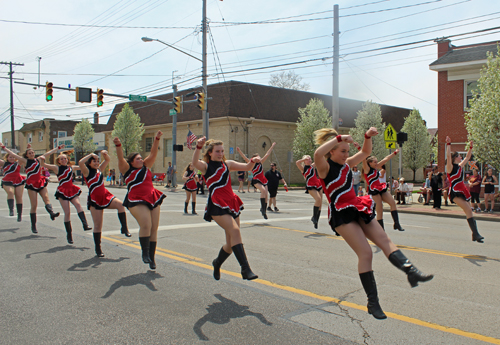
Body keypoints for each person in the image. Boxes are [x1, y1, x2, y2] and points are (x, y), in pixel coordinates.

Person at [314, 127, 433, 320]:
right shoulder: (325, 167)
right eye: (342, 151)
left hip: (357, 206)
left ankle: (411, 271)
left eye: (347, 151)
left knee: (385, 240)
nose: (346, 155)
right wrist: (339, 137)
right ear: (332, 151)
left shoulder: (347, 165)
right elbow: (317, 153)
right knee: (366, 253)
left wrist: (367, 136)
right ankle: (373, 302)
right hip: (342, 214)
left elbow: (366, 153)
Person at [192, 136, 260, 281]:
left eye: (222, 151)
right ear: (210, 152)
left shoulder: (227, 164)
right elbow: (194, 162)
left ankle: (217, 263)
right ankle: (245, 269)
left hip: (231, 202)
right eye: (217, 151)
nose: (221, 153)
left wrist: (253, 161)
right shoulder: (206, 167)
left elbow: (248, 167)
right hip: (217, 203)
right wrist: (198, 147)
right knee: (235, 231)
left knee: (230, 244)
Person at [114, 132, 166, 268]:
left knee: (154, 228)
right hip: (136, 199)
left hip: (152, 197)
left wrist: (157, 139)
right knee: (146, 225)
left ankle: (152, 258)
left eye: (141, 158)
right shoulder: (126, 169)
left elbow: (153, 154)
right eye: (138, 159)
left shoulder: (146, 166)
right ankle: (145, 253)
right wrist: (118, 145)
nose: (141, 160)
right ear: (131, 162)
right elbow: (120, 158)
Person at [79, 150, 131, 258]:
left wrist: (104, 154)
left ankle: (124, 228)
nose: (97, 163)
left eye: (98, 161)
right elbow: (80, 162)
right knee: (98, 226)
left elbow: (107, 160)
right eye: (94, 161)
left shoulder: (99, 170)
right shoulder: (87, 172)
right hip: (95, 199)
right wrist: (90, 154)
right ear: (89, 162)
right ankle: (98, 248)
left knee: (121, 205)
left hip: (105, 196)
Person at [2, 144, 61, 233]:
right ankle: (33, 226)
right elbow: (13, 155)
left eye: (33, 153)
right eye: (30, 153)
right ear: (27, 155)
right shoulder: (25, 161)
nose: (32, 154)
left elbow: (49, 153)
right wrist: (3, 148)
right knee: (34, 205)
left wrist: (58, 148)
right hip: (31, 183)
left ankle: (51, 213)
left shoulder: (39, 159)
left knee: (46, 198)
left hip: (40, 181)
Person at [39, 152, 92, 244]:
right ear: (59, 161)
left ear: (67, 159)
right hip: (62, 191)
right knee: (67, 213)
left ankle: (85, 224)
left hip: (72, 189)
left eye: (65, 158)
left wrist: (91, 157)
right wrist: (42, 157)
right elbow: (42, 164)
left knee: (78, 205)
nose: (64, 160)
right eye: (62, 159)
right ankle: (69, 235)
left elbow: (83, 166)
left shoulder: (71, 168)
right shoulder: (57, 168)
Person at [445, 136, 484, 243]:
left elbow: (467, 157)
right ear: (455, 158)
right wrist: (448, 144)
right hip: (455, 192)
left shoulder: (460, 166)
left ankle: (474, 234)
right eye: (458, 156)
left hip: (462, 190)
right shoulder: (450, 167)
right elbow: (448, 156)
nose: (460, 157)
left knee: (469, 210)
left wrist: (470, 147)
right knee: (468, 209)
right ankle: (476, 234)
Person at [362, 149, 405, 231]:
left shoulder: (376, 167)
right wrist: (361, 150)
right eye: (374, 162)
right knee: (380, 209)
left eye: (376, 162)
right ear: (369, 163)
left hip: (381, 187)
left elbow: (386, 159)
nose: (376, 163)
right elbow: (363, 159)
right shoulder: (367, 169)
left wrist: (395, 152)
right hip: (374, 190)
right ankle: (381, 230)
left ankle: (396, 223)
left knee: (392, 203)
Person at [237, 143, 276, 219]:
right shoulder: (252, 164)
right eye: (257, 158)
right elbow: (245, 158)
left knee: (266, 195)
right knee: (263, 191)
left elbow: (267, 154)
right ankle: (262, 208)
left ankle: (263, 209)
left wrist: (272, 146)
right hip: (256, 180)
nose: (259, 158)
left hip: (263, 180)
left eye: (259, 157)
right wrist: (239, 151)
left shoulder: (261, 162)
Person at [296, 155, 323, 228]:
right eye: (307, 159)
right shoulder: (303, 168)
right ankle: (314, 217)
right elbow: (297, 163)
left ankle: (316, 220)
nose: (309, 160)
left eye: (310, 159)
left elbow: (318, 159)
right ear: (304, 161)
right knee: (318, 199)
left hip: (318, 184)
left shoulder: (312, 166)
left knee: (320, 203)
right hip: (310, 186)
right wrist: (303, 159)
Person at [0, 147, 26, 222]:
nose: (12, 158)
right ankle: (11, 209)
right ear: (7, 158)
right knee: (11, 192)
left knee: (18, 197)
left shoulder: (18, 163)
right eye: (10, 157)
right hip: (7, 181)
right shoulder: (4, 163)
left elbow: (22, 158)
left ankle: (19, 214)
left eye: (13, 157)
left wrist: (27, 149)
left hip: (18, 180)